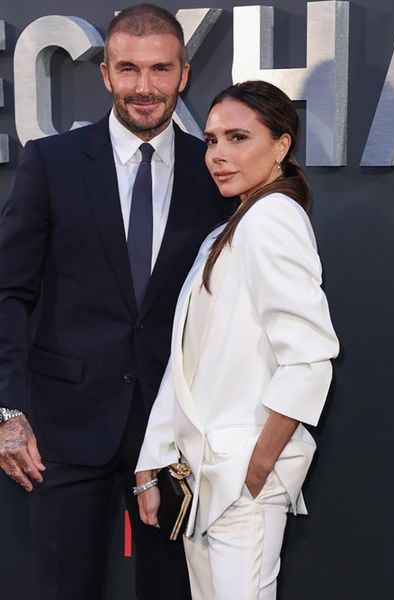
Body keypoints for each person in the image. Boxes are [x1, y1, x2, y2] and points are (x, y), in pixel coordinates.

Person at [0, 5, 234, 600]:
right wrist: (7, 410)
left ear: (184, 74)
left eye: (160, 69)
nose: (144, 87)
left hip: (174, 433)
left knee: (174, 590)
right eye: (128, 69)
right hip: (62, 429)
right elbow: (9, 290)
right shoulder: (51, 164)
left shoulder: (216, 178)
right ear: (104, 74)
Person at [135, 80, 340, 599]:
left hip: (238, 479)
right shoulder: (229, 228)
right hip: (204, 478)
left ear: (281, 144)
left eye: (238, 138)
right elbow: (188, 361)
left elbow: (310, 355)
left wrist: (257, 469)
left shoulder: (273, 218)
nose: (218, 155)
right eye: (210, 140)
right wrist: (150, 460)